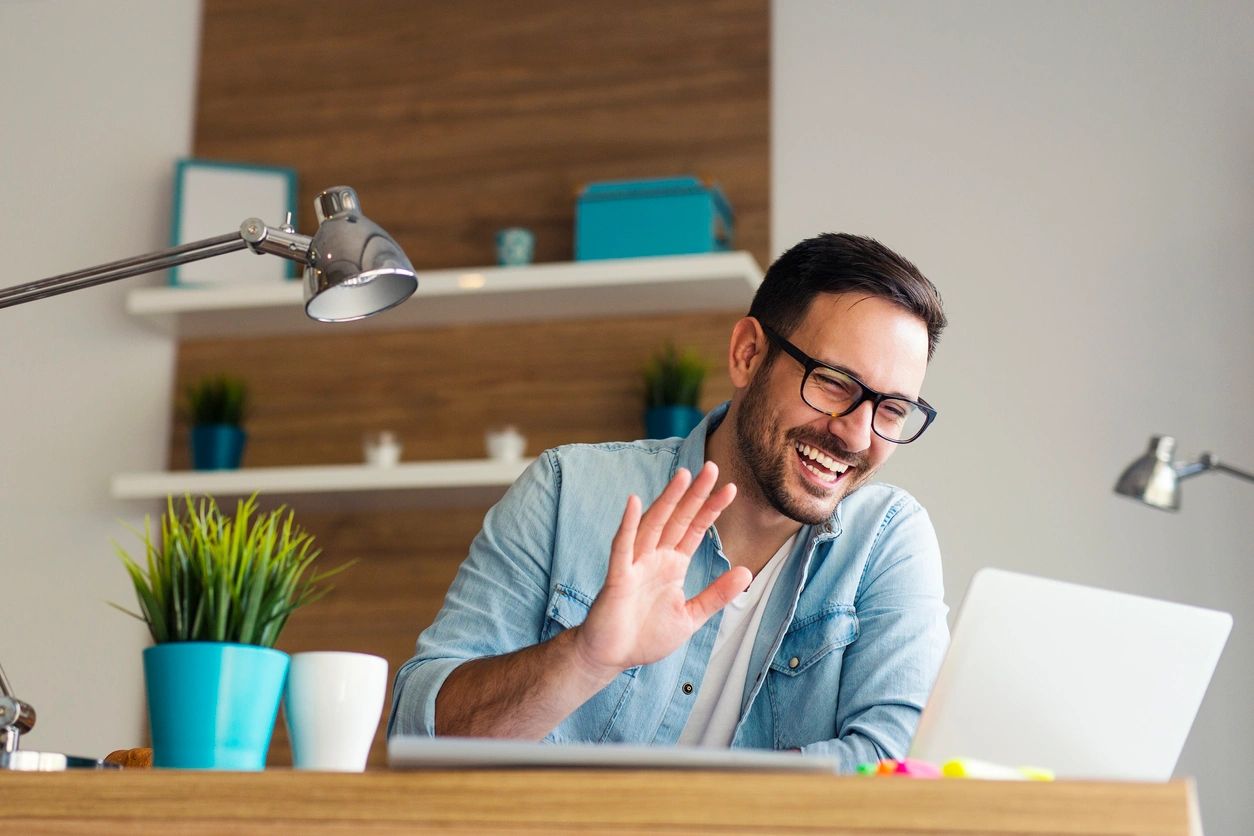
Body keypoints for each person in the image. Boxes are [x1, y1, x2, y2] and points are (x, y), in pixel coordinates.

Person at [389, 233, 949, 770]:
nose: (856, 435)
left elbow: (897, 765)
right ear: (748, 355)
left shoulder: (885, 540)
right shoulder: (568, 489)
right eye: (833, 383)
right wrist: (583, 659)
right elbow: (417, 735)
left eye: (893, 410)